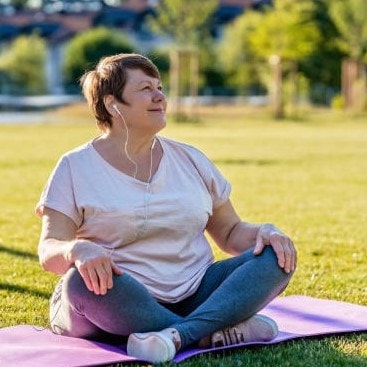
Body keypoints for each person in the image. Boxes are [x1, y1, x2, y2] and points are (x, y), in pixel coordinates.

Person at [36, 53, 296, 364]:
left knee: (274, 257)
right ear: (111, 104)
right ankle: (211, 330)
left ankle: (178, 335)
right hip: (120, 297)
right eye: (145, 88)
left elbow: (230, 233)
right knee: (79, 282)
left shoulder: (190, 159)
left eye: (159, 87)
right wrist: (76, 249)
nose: (160, 96)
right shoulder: (75, 166)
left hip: (195, 293)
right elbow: (49, 250)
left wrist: (265, 232)